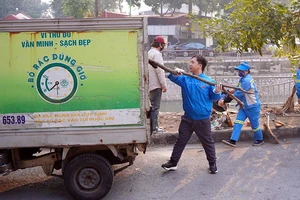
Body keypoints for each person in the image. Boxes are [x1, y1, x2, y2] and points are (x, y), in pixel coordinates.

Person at [161, 55, 222, 174]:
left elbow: (215, 97)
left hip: (202, 119)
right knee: (181, 140)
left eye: (192, 62)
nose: (190, 64)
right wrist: (175, 72)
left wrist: (216, 91)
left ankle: (212, 164)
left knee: (207, 142)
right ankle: (173, 163)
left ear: (200, 65)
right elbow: (171, 77)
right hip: (188, 118)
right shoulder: (185, 79)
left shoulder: (209, 81)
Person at [219, 62, 264, 147]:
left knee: (255, 125)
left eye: (241, 71)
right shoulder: (243, 79)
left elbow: (237, 94)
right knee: (238, 122)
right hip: (244, 106)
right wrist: (226, 92)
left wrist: (224, 100)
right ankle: (233, 141)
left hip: (252, 107)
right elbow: (236, 89)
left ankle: (259, 139)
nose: (239, 72)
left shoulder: (247, 81)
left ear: (247, 71)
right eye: (239, 71)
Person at [148, 36, 167, 134]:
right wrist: (163, 84)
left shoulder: (149, 53)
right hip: (156, 84)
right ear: (160, 45)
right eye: (163, 45)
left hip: (149, 84)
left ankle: (151, 127)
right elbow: (160, 70)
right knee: (156, 107)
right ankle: (155, 128)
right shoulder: (157, 54)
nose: (163, 46)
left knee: (151, 107)